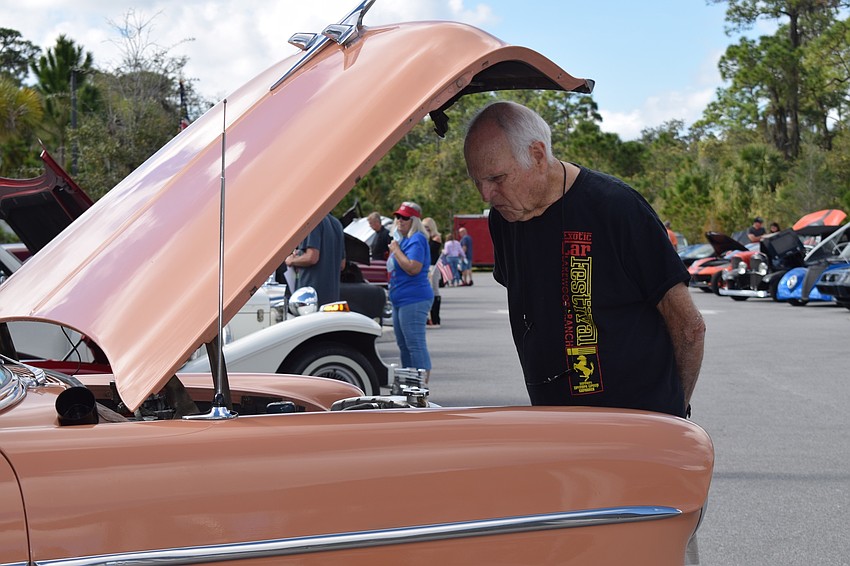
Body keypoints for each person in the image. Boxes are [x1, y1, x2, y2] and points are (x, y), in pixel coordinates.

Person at [463, 101, 705, 418]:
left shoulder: (616, 207)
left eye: (496, 178)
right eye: (476, 181)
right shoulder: (504, 220)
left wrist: (675, 411)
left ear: (537, 155)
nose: (486, 195)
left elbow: (689, 326)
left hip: (636, 424)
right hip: (556, 423)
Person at [387, 201, 433, 383]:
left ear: (414, 220)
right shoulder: (404, 240)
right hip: (402, 299)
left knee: (415, 344)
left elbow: (413, 268)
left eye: (404, 217)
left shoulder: (417, 239)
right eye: (397, 216)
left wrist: (396, 250)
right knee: (404, 345)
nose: (399, 220)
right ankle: (410, 383)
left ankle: (421, 387)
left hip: (413, 299)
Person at [283, 212, 345, 306]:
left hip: (310, 298)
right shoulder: (337, 224)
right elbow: (342, 264)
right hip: (331, 298)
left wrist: (291, 260)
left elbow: (312, 257)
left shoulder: (313, 221)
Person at [422, 217, 443, 327]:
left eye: (427, 227)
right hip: (427, 267)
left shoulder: (436, 238)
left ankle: (435, 318)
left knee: (434, 290)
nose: (425, 229)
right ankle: (429, 317)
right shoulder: (425, 238)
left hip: (434, 267)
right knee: (428, 291)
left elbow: (430, 250)